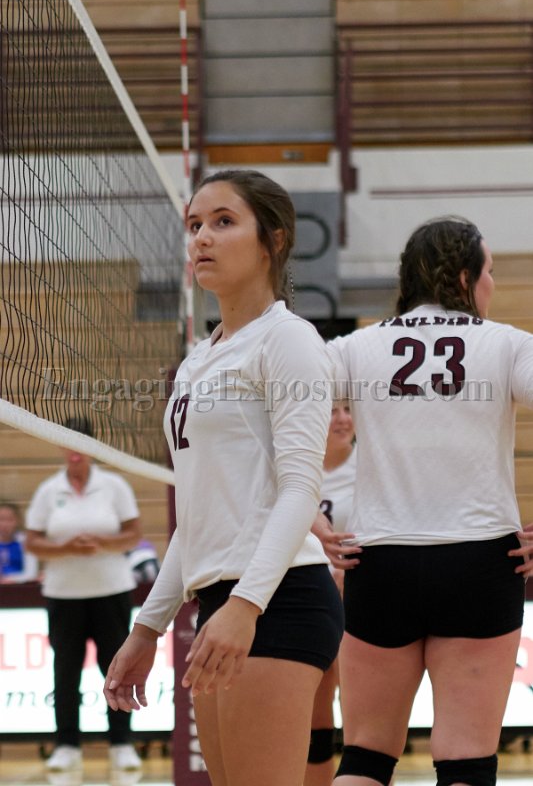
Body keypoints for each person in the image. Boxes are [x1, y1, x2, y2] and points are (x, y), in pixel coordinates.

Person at [103, 169, 344, 786]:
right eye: (194, 225)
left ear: (273, 241)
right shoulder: (197, 362)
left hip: (277, 599)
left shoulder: (288, 340)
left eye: (223, 221)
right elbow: (196, 519)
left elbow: (301, 488)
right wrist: (147, 628)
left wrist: (246, 605)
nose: (201, 238)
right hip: (220, 601)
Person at [318, 216, 533, 786]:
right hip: (480, 562)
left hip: (379, 563)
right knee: (467, 763)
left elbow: (264, 418)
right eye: (489, 272)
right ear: (464, 277)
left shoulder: (355, 347)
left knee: (364, 758)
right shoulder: (508, 344)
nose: (492, 285)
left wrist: (308, 517)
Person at [25, 417, 143, 774]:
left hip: (111, 592)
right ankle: (66, 745)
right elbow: (33, 541)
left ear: (92, 447)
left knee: (116, 668)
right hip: (64, 595)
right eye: (68, 442)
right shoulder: (49, 490)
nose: (75, 450)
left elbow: (133, 534)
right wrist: (65, 548)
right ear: (60, 446)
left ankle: (122, 743)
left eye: (81, 443)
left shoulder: (114, 486)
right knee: (65, 671)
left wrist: (103, 543)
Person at [305, 402, 357, 786]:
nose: (342, 418)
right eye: (332, 410)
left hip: (360, 597)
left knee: (360, 711)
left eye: (348, 409)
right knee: (313, 710)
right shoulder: (296, 468)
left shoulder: (371, 466)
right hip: (307, 598)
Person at [0, 502, 39, 583]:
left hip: (18, 586)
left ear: (17, 521)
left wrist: (10, 579)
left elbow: (31, 573)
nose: (5, 524)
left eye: (10, 520)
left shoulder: (26, 542)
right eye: (1, 519)